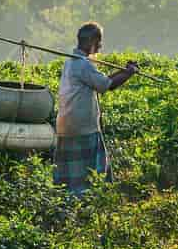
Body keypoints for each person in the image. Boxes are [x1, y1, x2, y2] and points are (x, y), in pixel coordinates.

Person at [53, 21, 137, 195]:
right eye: (99, 42)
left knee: (69, 180)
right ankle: (87, 206)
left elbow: (102, 81)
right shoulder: (82, 64)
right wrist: (128, 73)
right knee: (90, 178)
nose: (100, 46)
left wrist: (125, 71)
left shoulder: (72, 63)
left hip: (66, 126)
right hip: (82, 129)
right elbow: (108, 85)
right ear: (92, 41)